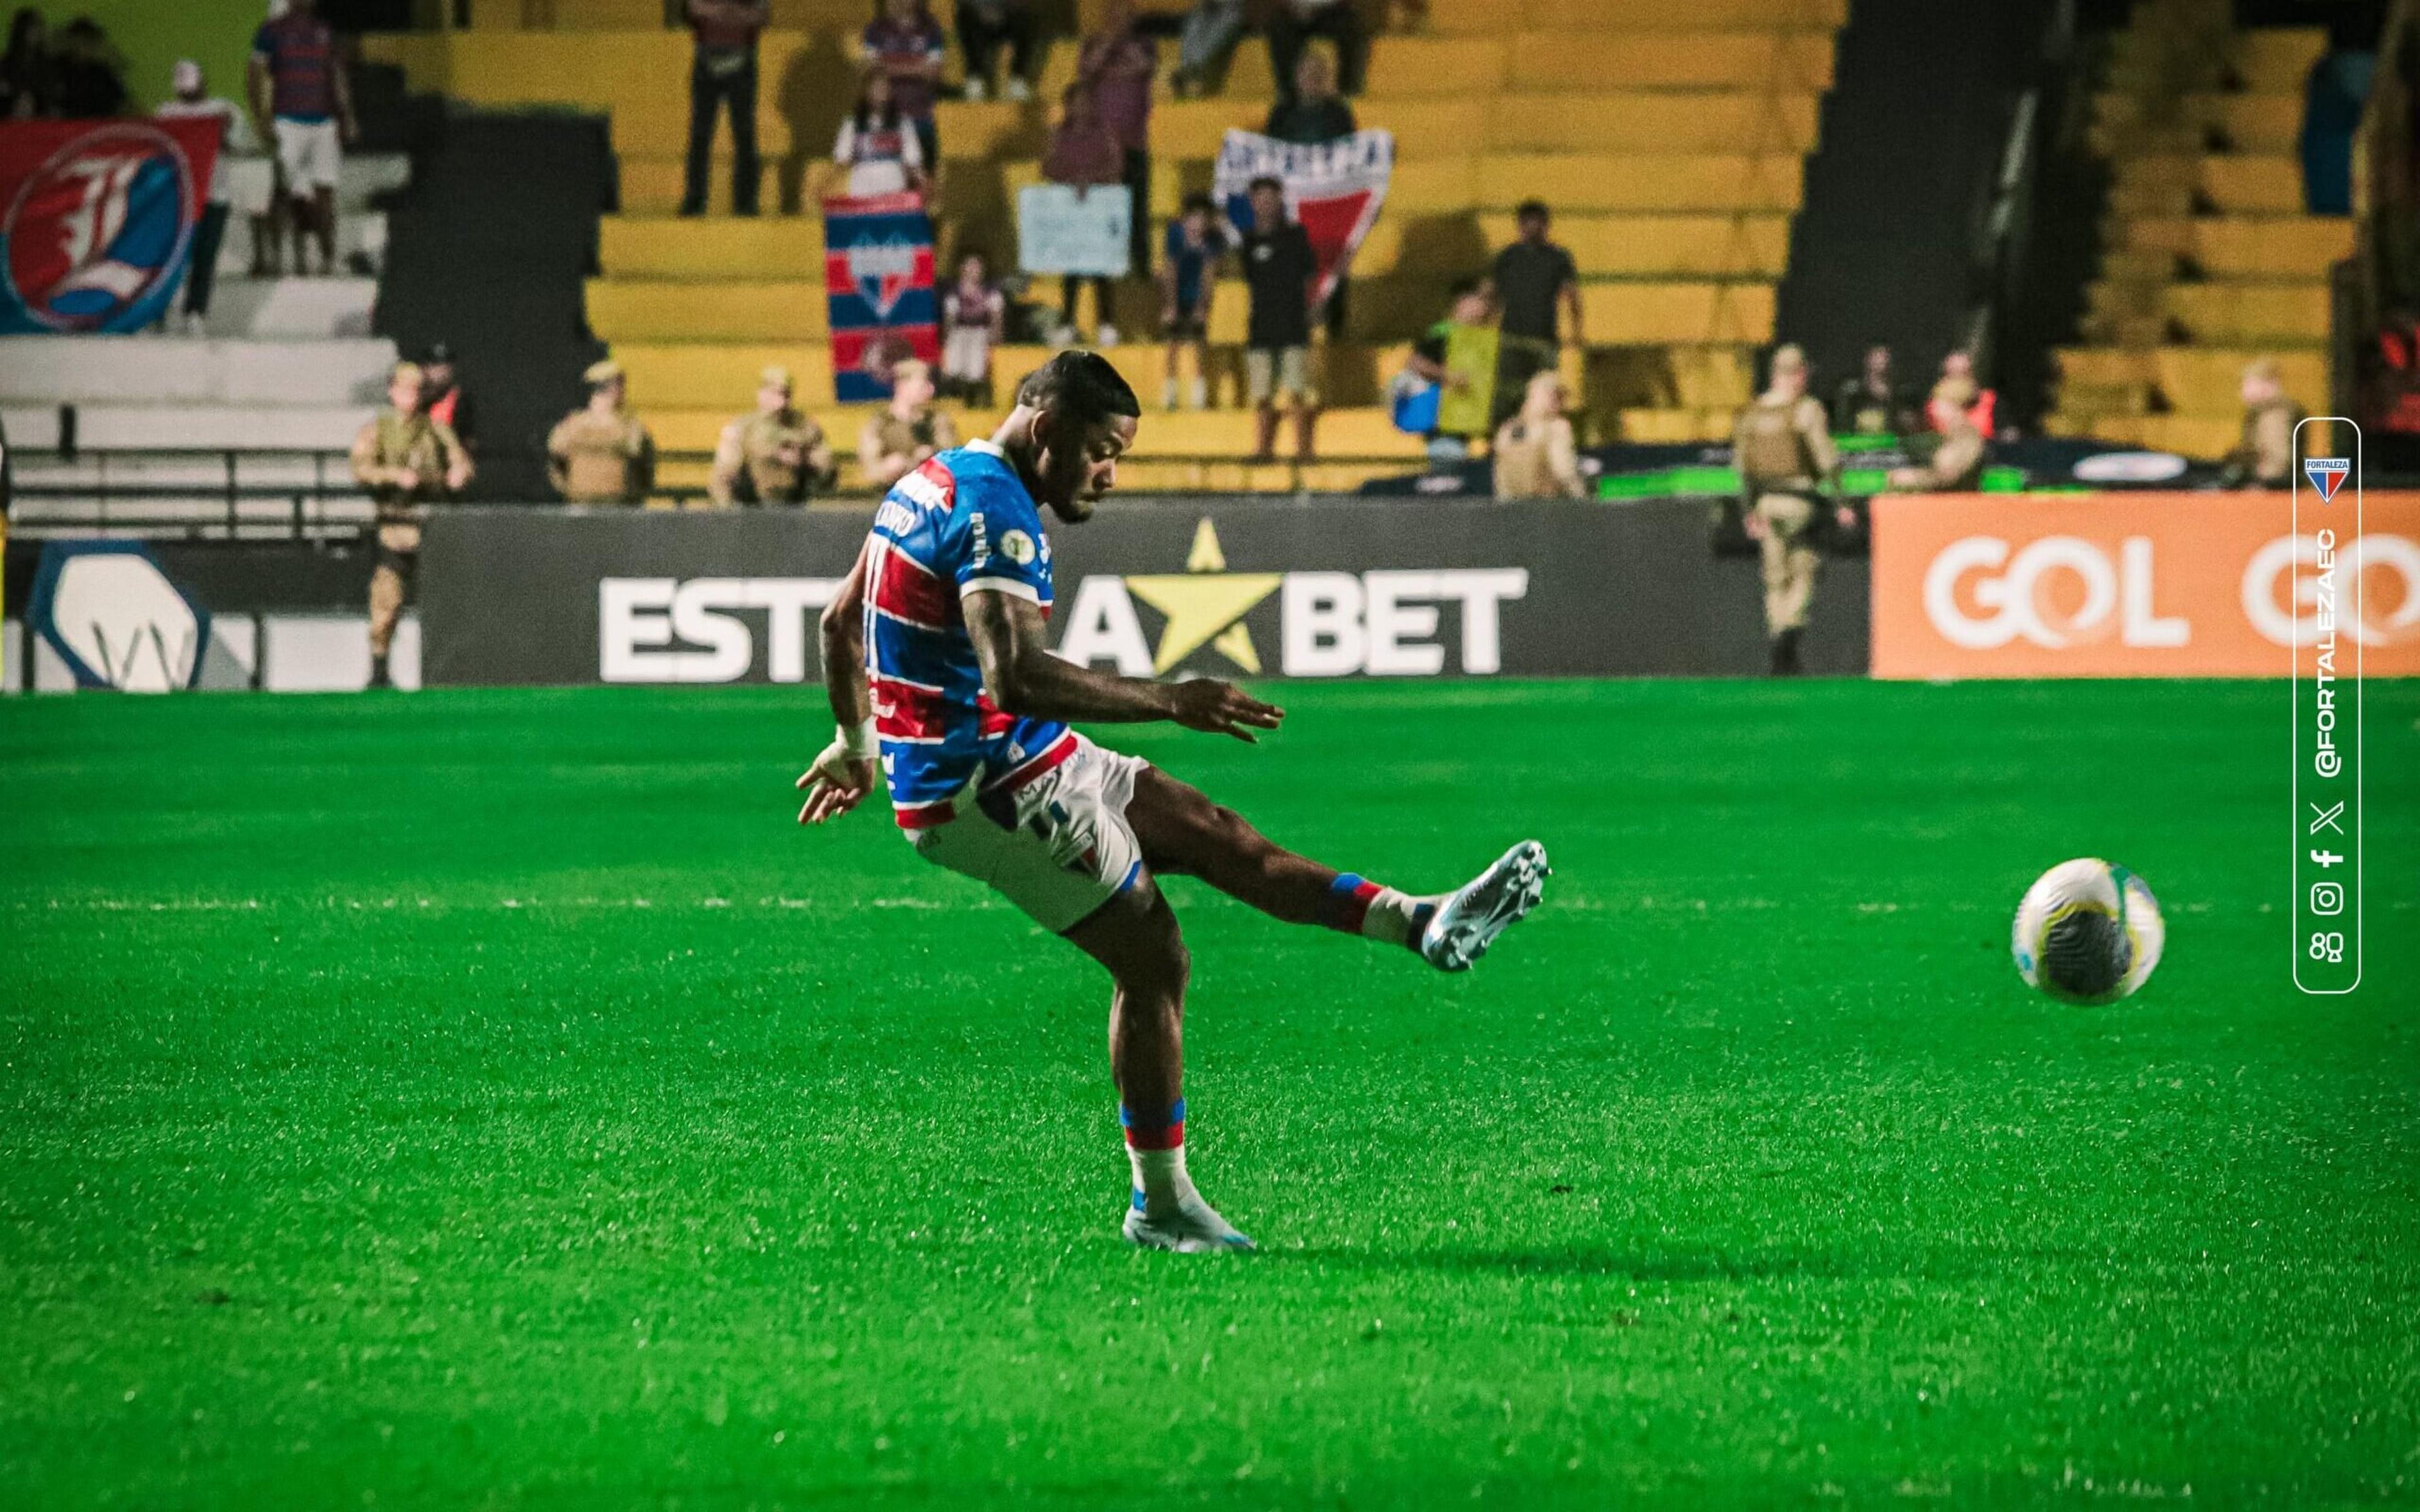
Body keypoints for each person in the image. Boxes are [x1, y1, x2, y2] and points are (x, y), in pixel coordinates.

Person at [795, 349, 1549, 1252]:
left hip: (1017, 756)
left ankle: (1419, 922)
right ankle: (1160, 1205)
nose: (1109, 475)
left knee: (1216, 835)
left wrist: (854, 743)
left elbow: (843, 618)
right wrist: (1172, 700)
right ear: (1046, 429)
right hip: (984, 788)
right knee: (1153, 962)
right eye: (1102, 450)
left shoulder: (933, 478)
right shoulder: (998, 513)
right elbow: (1019, 674)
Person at [350, 362, 471, 690]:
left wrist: (458, 473)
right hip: (394, 526)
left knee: (442, 604)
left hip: (430, 530)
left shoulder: (433, 429)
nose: (409, 397)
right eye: (404, 389)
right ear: (392, 391)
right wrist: (393, 476)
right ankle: (379, 671)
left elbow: (459, 460)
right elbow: (361, 468)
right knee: (385, 605)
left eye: (415, 391)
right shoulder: (379, 429)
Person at [1732, 344, 1839, 677]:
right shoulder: (1805, 410)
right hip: (1799, 501)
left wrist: (1749, 508)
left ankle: (1778, 633)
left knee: (1775, 576)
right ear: (1800, 374)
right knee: (1805, 566)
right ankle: (1790, 631)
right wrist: (1839, 497)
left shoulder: (1752, 413)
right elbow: (1827, 461)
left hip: (1765, 502)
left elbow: (1742, 468)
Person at [250, 0, 356, 278]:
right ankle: (276, 258)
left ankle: (328, 256)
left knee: (325, 191)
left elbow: (336, 73)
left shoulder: (324, 30)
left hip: (323, 122)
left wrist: (346, 115)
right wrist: (262, 119)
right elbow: (255, 75)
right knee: (284, 193)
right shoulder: (271, 31)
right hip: (287, 122)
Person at [156, 60, 260, 334]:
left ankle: (195, 313)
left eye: (193, 89)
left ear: (203, 83)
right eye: (184, 91)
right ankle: (162, 310)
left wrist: (221, 131)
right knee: (173, 256)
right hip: (179, 197)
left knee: (205, 255)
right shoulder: (167, 113)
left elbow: (240, 146)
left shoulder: (224, 111)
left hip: (215, 194)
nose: (189, 96)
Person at [1042, 83, 1127, 346]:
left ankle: (1107, 324)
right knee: (1071, 269)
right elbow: (1048, 167)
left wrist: (1091, 181)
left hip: (1098, 213)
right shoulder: (1058, 135)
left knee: (1101, 268)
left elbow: (1117, 166)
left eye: (1085, 101)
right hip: (1069, 215)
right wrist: (1072, 180)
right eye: (1075, 102)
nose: (1080, 108)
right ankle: (1067, 322)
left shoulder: (1105, 134)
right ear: (1067, 105)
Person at [1077, 0, 1156, 283]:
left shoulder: (1145, 43)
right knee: (1104, 210)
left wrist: (1110, 65)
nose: (1120, 17)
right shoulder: (1093, 43)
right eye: (1114, 11)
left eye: (1126, 11)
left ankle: (1141, 269)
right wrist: (1110, 43)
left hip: (1135, 143)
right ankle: (1106, 267)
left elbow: (1143, 66)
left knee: (1137, 209)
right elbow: (1088, 69)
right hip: (1101, 147)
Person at [1240, 176, 1317, 462]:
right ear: (1252, 203)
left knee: (1297, 391)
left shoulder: (1296, 236)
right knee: (1261, 394)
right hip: (1261, 324)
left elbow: (1309, 276)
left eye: (1271, 198)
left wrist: (1311, 310)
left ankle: (1304, 450)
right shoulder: (1249, 240)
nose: (1265, 204)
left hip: (1293, 323)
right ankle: (1262, 449)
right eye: (1260, 198)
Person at [1487, 200, 1581, 430]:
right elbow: (1492, 295)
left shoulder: (1559, 257)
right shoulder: (1507, 256)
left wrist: (1577, 331)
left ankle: (1543, 445)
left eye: (1538, 222)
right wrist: (1484, 328)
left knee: (1546, 397)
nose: (1533, 227)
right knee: (1506, 397)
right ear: (1519, 225)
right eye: (1527, 222)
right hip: (1511, 337)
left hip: (1545, 339)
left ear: (1547, 225)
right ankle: (1501, 444)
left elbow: (1572, 296)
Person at [678, 0, 767, 218]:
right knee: (700, 135)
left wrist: (718, 11)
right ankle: (695, 200)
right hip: (706, 62)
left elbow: (761, 16)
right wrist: (733, 11)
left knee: (745, 134)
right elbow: (693, 9)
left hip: (743, 62)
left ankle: (746, 203)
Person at [710, 365, 835, 505]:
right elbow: (724, 477)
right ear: (761, 394)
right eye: (775, 394)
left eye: (786, 395)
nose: (781, 402)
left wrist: (804, 461)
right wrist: (730, 516)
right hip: (751, 510)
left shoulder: (805, 427)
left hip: (795, 508)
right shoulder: (742, 429)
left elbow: (827, 472)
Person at [1405, 277, 1498, 460]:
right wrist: (1449, 376)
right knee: (1450, 471)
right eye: (1482, 300)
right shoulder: (1444, 332)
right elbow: (1415, 362)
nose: (1487, 308)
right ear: (1462, 302)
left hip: (1473, 418)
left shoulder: (1483, 337)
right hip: (1445, 424)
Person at [547, 360, 655, 504]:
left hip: (584, 505)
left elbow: (556, 463)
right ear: (615, 388)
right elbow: (645, 471)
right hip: (614, 507)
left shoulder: (570, 425)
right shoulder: (631, 428)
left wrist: (569, 490)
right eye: (620, 384)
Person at [860, 0, 947, 177]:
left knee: (925, 181)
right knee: (889, 182)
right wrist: (917, 68)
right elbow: (869, 69)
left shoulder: (931, 30)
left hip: (920, 117)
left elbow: (933, 74)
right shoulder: (876, 30)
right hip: (885, 121)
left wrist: (887, 66)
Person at [1158, 193, 1226, 411]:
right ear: (1185, 219)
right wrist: (1170, 305)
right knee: (1173, 342)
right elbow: (1170, 270)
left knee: (1199, 342)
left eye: (1203, 219)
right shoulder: (1175, 235)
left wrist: (1202, 307)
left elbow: (1209, 275)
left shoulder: (1213, 240)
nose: (1198, 224)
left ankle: (1200, 392)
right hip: (1177, 293)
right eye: (1194, 218)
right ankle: (1170, 391)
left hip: (1198, 295)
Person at [858, 359, 959, 491]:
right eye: (923, 384)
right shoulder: (880, 423)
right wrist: (885, 470)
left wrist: (929, 457)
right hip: (888, 493)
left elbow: (952, 458)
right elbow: (870, 464)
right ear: (902, 386)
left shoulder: (936, 420)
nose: (930, 390)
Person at [1493, 370, 1584, 501]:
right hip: (1549, 509)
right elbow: (1564, 471)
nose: (1561, 404)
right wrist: (1581, 499)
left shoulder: (1506, 431)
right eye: (1558, 397)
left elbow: (1500, 480)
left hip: (1512, 512)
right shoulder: (1556, 428)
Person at [1885, 375, 1985, 492]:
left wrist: (1913, 478)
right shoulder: (1948, 438)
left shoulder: (1968, 439)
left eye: (1940, 405)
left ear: (1955, 407)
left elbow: (1950, 477)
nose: (1934, 412)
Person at [834, 71, 926, 197]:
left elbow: (913, 163)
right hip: (862, 195)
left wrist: (925, 184)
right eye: (875, 87)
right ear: (866, 92)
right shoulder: (852, 125)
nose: (880, 92)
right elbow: (841, 161)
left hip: (894, 194)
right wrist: (824, 185)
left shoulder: (904, 124)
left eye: (883, 87)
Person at [2219, 357, 2305, 488]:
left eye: (2249, 384)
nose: (2243, 391)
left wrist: (2260, 487)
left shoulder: (2275, 415)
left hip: (2273, 490)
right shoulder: (2262, 413)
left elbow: (2277, 463)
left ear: (2269, 385)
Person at [940, 251, 1006, 404]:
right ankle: (954, 389)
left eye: (977, 266)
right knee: (956, 344)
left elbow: (997, 317)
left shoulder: (991, 292)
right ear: (962, 268)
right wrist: (945, 340)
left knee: (977, 348)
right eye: (970, 266)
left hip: (980, 332)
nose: (974, 270)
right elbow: (950, 318)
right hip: (959, 332)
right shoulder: (954, 292)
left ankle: (975, 391)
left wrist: (996, 336)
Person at [1268, 0, 1364, 100]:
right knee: (1279, 26)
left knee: (1350, 25)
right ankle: (1289, 90)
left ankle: (1347, 87)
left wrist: (1319, 9)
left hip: (1332, 12)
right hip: (1295, 13)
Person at [1262, 50, 1354, 145]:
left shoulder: (1340, 114)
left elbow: (1349, 150)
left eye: (1319, 73)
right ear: (1297, 76)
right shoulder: (1281, 113)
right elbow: (1271, 150)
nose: (1314, 78)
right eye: (1308, 73)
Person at [955, 0, 1034, 102]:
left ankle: (1017, 79)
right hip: (978, 18)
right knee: (964, 14)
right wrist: (983, 10)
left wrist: (1003, 9)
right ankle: (975, 77)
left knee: (1025, 17)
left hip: (1005, 17)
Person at [1832, 343, 1917, 435]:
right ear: (1866, 360)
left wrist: (1889, 399)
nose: (1879, 362)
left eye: (1884, 357)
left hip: (1889, 442)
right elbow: (1842, 421)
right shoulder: (1851, 390)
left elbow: (1910, 425)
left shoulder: (1901, 392)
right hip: (1858, 442)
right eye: (1875, 356)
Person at [49, 16, 123, 118]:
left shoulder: (102, 73)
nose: (82, 47)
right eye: (79, 41)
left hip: (98, 129)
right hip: (63, 129)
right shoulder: (56, 69)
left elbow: (120, 103)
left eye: (87, 41)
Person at [1170, 0, 1243, 98]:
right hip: (1207, 9)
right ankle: (1188, 67)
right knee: (1194, 21)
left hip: (1233, 10)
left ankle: (1196, 69)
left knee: (1224, 23)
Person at [420, 343, 475, 456]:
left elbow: (470, 439)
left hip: (449, 459)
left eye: (445, 366)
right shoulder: (414, 397)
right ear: (425, 368)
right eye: (435, 366)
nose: (440, 372)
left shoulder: (461, 399)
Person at [1, 9, 50, 120]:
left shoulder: (47, 64)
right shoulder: (6, 64)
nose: (38, 32)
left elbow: (48, 95)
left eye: (40, 27)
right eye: (33, 27)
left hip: (40, 122)